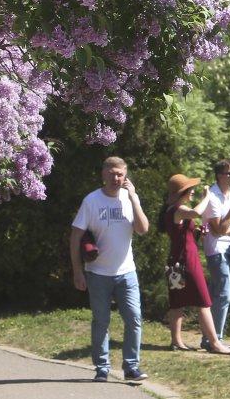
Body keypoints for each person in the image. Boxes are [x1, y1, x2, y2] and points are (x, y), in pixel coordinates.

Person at [70, 156, 149, 383]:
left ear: (126, 176)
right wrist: (77, 271)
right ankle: (102, 368)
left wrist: (133, 198)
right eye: (112, 173)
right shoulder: (92, 201)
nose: (116, 178)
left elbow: (143, 229)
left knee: (134, 319)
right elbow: (75, 236)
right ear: (103, 175)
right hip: (97, 274)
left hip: (127, 273)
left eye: (120, 174)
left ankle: (131, 367)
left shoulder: (129, 198)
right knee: (101, 321)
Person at [160, 174, 230, 355]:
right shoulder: (178, 209)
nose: (193, 191)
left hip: (177, 259)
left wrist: (197, 234)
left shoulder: (172, 209)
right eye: (190, 189)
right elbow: (196, 213)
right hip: (187, 260)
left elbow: (181, 235)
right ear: (183, 192)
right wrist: (208, 198)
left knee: (177, 302)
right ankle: (215, 343)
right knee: (203, 301)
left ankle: (176, 341)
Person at [202, 159, 230, 346]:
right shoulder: (212, 196)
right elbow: (216, 229)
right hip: (216, 250)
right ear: (220, 176)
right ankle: (215, 339)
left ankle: (208, 338)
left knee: (218, 293)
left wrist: (228, 230)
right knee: (224, 293)